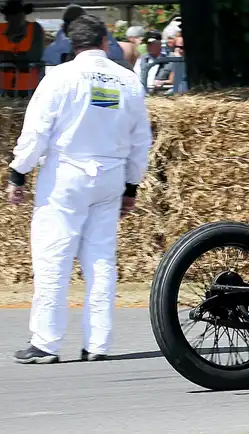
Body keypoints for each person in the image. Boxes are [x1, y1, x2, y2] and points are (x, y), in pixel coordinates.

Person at [7, 13, 152, 364]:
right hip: (111, 176)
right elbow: (140, 140)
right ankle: (98, 343)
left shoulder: (59, 77)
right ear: (105, 42)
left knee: (53, 256)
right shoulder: (128, 80)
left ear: (73, 44)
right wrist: (131, 186)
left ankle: (46, 342)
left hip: (66, 174)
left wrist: (18, 172)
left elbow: (37, 130)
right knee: (101, 259)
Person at [1, 0, 44, 97]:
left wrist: (7, 56)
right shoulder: (0, 29)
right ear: (7, 17)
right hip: (3, 90)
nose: (15, 19)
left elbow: (35, 55)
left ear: (24, 15)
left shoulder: (35, 29)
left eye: (18, 15)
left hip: (30, 89)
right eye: (11, 15)